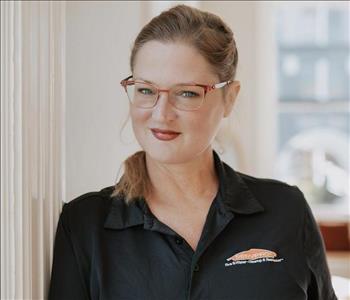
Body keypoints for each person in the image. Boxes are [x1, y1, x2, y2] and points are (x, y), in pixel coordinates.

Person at [48, 4, 337, 300]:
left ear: (230, 98)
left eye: (186, 93)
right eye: (146, 90)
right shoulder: (85, 226)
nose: (161, 114)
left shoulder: (286, 211)